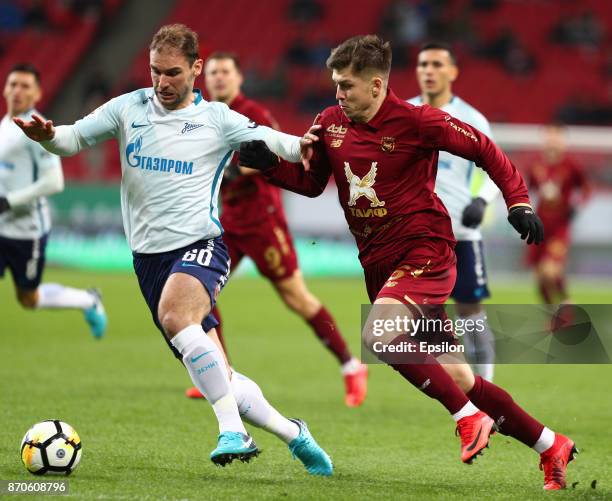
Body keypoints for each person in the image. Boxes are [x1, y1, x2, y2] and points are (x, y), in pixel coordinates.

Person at [238, 35, 577, 490]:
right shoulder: (330, 123)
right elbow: (313, 181)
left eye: (348, 86)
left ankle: (466, 419)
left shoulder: (418, 122)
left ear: (377, 86)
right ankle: (551, 445)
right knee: (460, 376)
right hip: (379, 264)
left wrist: (517, 202)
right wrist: (269, 166)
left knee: (379, 334)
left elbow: (485, 149)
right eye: (336, 84)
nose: (338, 94)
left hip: (427, 251)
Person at [14, 24, 332, 475]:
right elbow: (71, 139)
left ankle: (231, 432)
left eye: (173, 73)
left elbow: (272, 139)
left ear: (196, 69)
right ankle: (294, 433)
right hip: (148, 260)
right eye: (154, 72)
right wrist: (47, 135)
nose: (162, 83)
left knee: (178, 316)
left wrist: (303, 145)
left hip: (201, 245)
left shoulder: (217, 118)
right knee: (217, 372)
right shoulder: (129, 107)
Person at [183, 51, 368, 406]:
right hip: (226, 222)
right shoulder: (203, 115)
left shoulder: (252, 113)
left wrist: (226, 171)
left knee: (296, 298)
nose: (219, 78)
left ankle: (350, 366)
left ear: (238, 78)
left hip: (262, 221)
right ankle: (221, 371)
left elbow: (272, 154)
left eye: (226, 72)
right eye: (214, 73)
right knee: (201, 291)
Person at [408, 42, 497, 381]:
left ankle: (487, 386)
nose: (428, 71)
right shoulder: (404, 113)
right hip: (417, 234)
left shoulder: (472, 119)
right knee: (422, 314)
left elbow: (497, 168)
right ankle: (452, 385)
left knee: (470, 313)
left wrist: (482, 200)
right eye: (423, 64)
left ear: (453, 72)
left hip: (460, 232)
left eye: (436, 64)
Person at [0, 63, 107, 338]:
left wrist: (9, 202)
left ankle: (87, 300)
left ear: (37, 94)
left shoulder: (36, 129)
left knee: (28, 299)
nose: (17, 91)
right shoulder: (4, 126)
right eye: (13, 84)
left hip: (26, 231)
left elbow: (54, 182)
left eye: (25, 86)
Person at [525, 124, 591, 304]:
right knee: (540, 277)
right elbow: (526, 190)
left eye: (557, 137)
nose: (553, 141)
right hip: (539, 225)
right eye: (549, 137)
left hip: (560, 225)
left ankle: (567, 304)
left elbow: (585, 190)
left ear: (563, 141)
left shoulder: (571, 165)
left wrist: (576, 206)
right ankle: (554, 313)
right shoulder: (536, 164)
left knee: (550, 270)